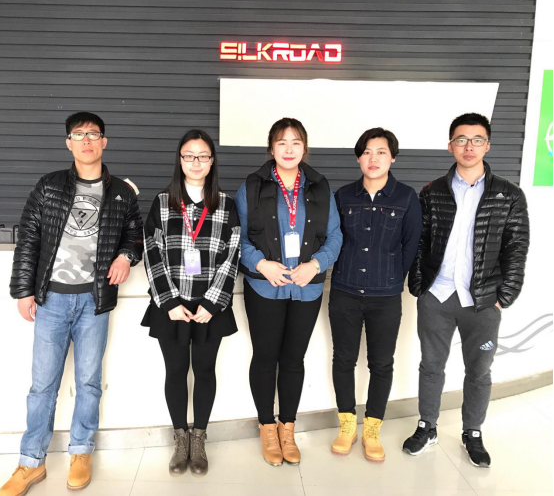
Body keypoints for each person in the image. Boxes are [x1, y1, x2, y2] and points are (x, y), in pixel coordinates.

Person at [2, 112, 143, 495]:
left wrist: (125, 256)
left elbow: (135, 235)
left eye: (93, 134)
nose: (86, 140)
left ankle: (81, 451)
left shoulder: (122, 192)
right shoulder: (49, 186)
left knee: (89, 382)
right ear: (68, 142)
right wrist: (23, 291)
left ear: (104, 141)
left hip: (94, 301)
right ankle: (31, 462)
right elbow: (29, 239)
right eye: (78, 134)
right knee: (42, 386)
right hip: (51, 300)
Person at [403, 113, 530, 468]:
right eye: (461, 139)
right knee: (431, 365)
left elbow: (517, 246)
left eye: (476, 140)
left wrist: (504, 297)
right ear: (450, 146)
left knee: (479, 370)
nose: (468, 146)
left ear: (487, 145)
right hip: (438, 296)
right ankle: (427, 426)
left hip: (483, 301)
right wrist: (419, 286)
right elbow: (420, 241)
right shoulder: (432, 192)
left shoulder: (509, 194)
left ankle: (472, 431)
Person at [236, 118, 343, 467]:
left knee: (294, 359)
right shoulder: (251, 187)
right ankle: (267, 427)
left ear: (305, 148)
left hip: (307, 288)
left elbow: (336, 235)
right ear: (271, 148)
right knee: (265, 358)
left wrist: (315, 265)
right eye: (281, 142)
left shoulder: (320, 187)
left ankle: (288, 428)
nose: (288, 149)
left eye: (295, 142)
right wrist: (261, 264)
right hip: (264, 287)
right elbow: (238, 237)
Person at [141, 129, 241, 478]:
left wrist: (212, 304)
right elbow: (151, 252)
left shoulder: (226, 205)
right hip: (171, 305)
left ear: (212, 161)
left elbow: (232, 255)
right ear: (180, 160)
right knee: (175, 371)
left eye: (203, 156)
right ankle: (180, 438)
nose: (196, 162)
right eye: (189, 155)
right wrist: (168, 301)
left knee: (205, 370)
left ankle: (199, 439)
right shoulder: (162, 202)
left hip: (209, 307)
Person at [329, 128, 422, 462]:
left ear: (392, 157)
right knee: (343, 359)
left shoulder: (406, 197)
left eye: (381, 152)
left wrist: (392, 277)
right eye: (367, 152)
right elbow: (333, 240)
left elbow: (411, 245)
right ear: (358, 158)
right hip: (345, 291)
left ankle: (372, 429)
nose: (373, 158)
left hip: (385, 297)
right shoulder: (343, 196)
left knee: (381, 363)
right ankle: (347, 424)